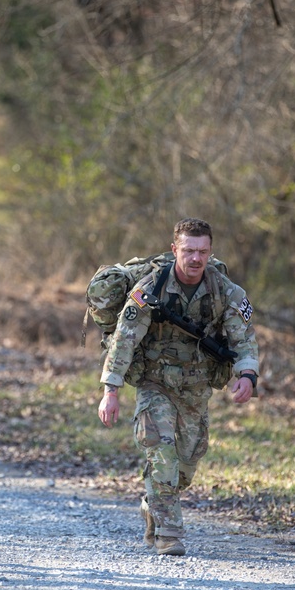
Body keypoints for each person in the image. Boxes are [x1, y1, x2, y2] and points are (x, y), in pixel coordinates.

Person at [97, 218, 259, 556]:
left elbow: (244, 339)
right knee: (161, 453)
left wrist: (247, 374)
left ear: (210, 252)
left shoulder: (226, 291)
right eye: (188, 251)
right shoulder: (150, 288)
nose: (195, 258)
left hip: (197, 388)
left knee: (185, 466)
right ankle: (169, 534)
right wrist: (110, 390)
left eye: (202, 251)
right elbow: (125, 339)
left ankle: (152, 503)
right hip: (154, 381)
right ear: (175, 250)